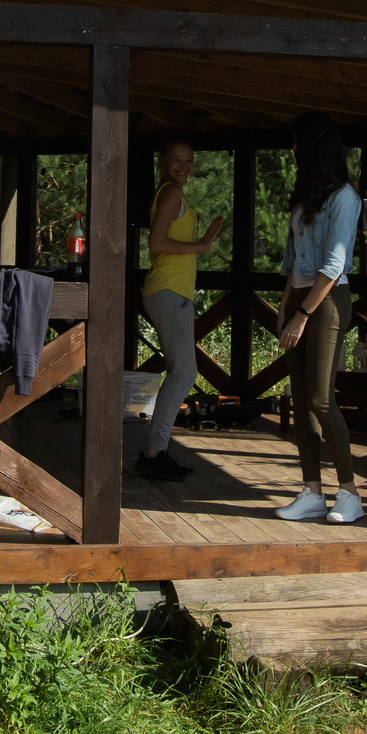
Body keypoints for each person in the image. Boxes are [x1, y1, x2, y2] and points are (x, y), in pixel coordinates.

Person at [273, 113, 364, 523]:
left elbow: (333, 264)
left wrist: (303, 314)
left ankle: (350, 494)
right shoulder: (306, 196)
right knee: (300, 400)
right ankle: (312, 492)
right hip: (301, 300)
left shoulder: (345, 197)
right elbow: (296, 262)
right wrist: (284, 307)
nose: (293, 150)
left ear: (314, 148)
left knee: (320, 398)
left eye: (297, 142)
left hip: (327, 301)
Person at [136, 140, 221, 480]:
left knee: (182, 371)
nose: (184, 166)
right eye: (176, 160)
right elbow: (156, 243)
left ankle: (156, 451)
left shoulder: (173, 194)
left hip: (172, 291)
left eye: (189, 160)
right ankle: (154, 452)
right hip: (168, 289)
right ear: (162, 162)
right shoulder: (171, 192)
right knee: (185, 372)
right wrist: (201, 245)